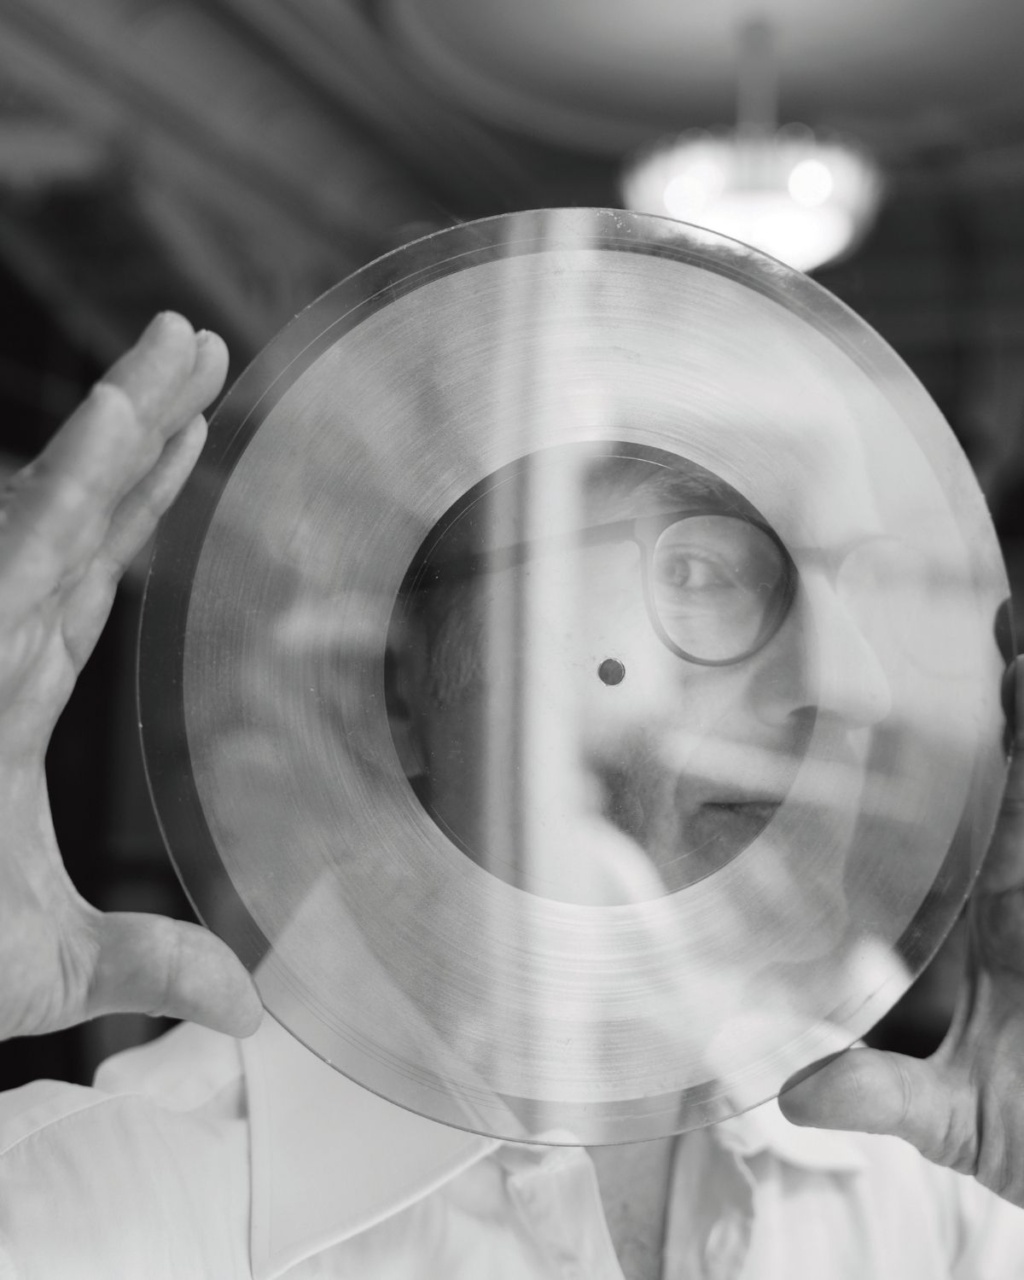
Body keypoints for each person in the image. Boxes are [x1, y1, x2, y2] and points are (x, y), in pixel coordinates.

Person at [1, 313, 1024, 1278]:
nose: (844, 685)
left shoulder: (929, 1184)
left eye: (851, 580)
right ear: (396, 679)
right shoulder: (85, 1210)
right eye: (708, 571)